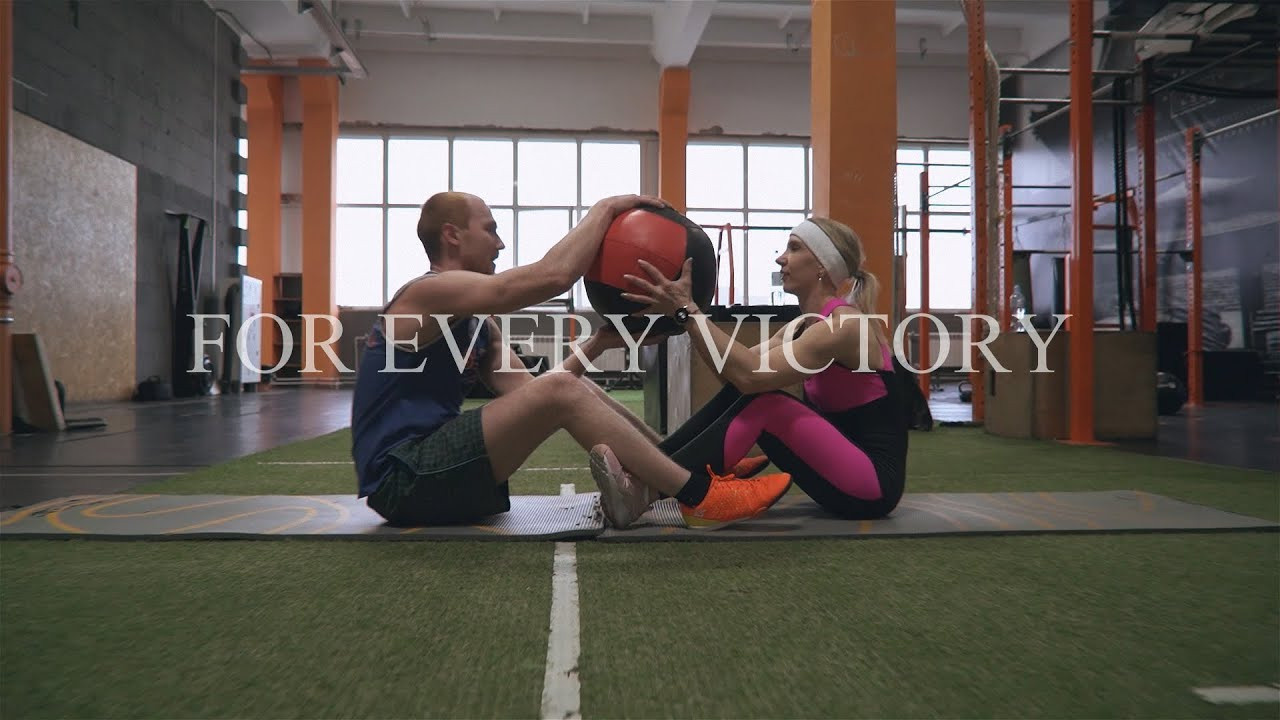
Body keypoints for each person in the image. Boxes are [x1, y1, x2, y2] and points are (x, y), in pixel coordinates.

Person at [350, 191, 792, 530]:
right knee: (564, 389)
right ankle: (699, 496)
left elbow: (533, 396)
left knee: (574, 388)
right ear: (452, 235)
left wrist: (600, 343)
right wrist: (605, 209)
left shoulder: (476, 326)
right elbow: (553, 277)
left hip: (437, 474)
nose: (500, 243)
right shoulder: (424, 294)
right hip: (403, 479)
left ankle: (676, 469)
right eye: (490, 229)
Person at [588, 216, 908, 528]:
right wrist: (683, 319)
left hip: (873, 487)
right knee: (748, 393)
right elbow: (734, 374)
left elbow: (750, 375)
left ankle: (646, 488)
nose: (781, 259)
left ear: (822, 266)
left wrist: (689, 312)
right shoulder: (801, 329)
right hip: (842, 475)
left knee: (767, 404)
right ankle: (646, 471)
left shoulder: (844, 327)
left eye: (794, 248)